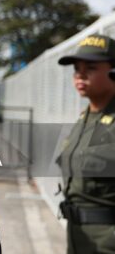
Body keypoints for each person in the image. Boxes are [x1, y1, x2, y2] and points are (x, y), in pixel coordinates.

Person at [57, 34, 115, 254]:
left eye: (90, 67)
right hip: (78, 238)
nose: (80, 75)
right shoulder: (85, 117)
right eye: (76, 69)